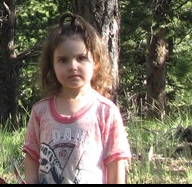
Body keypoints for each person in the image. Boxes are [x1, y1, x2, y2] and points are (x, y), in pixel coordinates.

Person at [22, 13, 132, 184]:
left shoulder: (105, 111)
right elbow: (32, 159)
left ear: (95, 63)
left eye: (81, 58)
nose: (72, 66)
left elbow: (116, 165)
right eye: (63, 60)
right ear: (52, 66)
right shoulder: (40, 112)